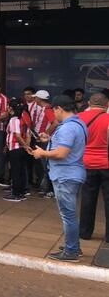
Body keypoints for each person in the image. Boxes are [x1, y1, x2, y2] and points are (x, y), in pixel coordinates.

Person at [31, 95, 87, 262]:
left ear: (59, 109)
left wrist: (42, 153)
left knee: (68, 215)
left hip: (65, 176)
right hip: (73, 173)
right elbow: (67, 146)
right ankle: (73, 246)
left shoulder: (67, 128)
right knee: (70, 214)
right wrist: (49, 140)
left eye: (53, 111)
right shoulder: (79, 124)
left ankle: (71, 252)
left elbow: (62, 153)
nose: (53, 115)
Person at [77, 93, 109, 243]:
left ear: (89, 103)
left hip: (86, 163)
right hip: (106, 164)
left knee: (88, 198)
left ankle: (85, 232)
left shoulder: (79, 117)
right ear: (107, 104)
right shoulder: (108, 119)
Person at [3, 100, 30, 202]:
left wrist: (24, 146)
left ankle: (16, 194)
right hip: (21, 148)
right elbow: (28, 134)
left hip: (15, 147)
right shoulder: (24, 118)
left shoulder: (14, 119)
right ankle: (21, 192)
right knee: (21, 171)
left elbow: (17, 136)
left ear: (11, 108)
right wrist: (26, 146)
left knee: (15, 171)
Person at [33, 90, 57, 197]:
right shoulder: (45, 108)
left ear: (39, 99)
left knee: (45, 165)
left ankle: (50, 190)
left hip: (45, 141)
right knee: (43, 165)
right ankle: (46, 188)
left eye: (36, 98)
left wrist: (46, 134)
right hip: (42, 139)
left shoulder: (47, 109)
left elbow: (55, 122)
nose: (35, 100)